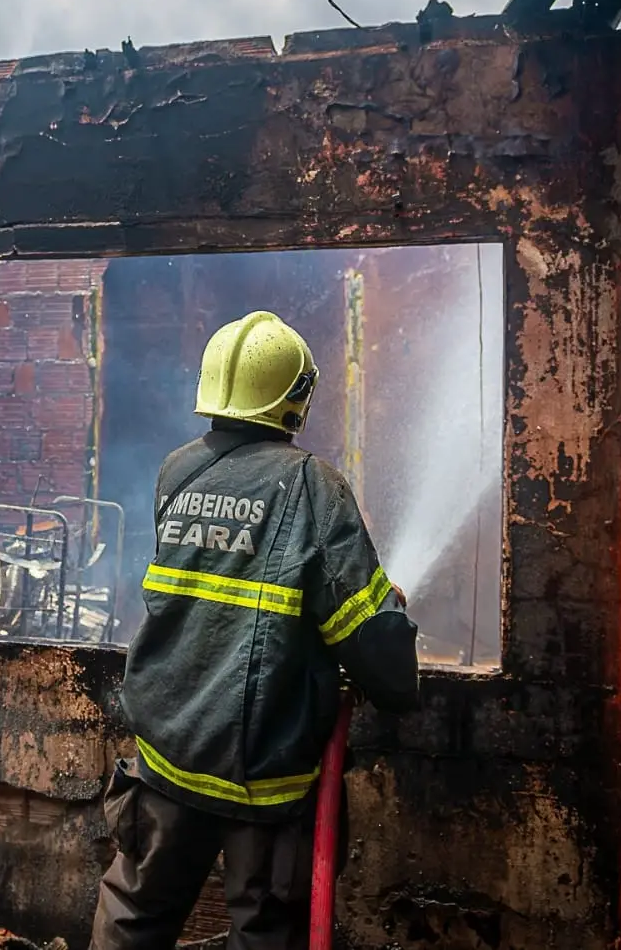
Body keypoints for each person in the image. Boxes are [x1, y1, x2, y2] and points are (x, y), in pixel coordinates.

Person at [90, 310, 423, 950]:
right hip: (264, 779)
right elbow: (367, 630)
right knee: (266, 930)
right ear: (295, 397)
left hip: (167, 755)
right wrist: (398, 677)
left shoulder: (176, 472)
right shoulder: (311, 486)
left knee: (135, 915)